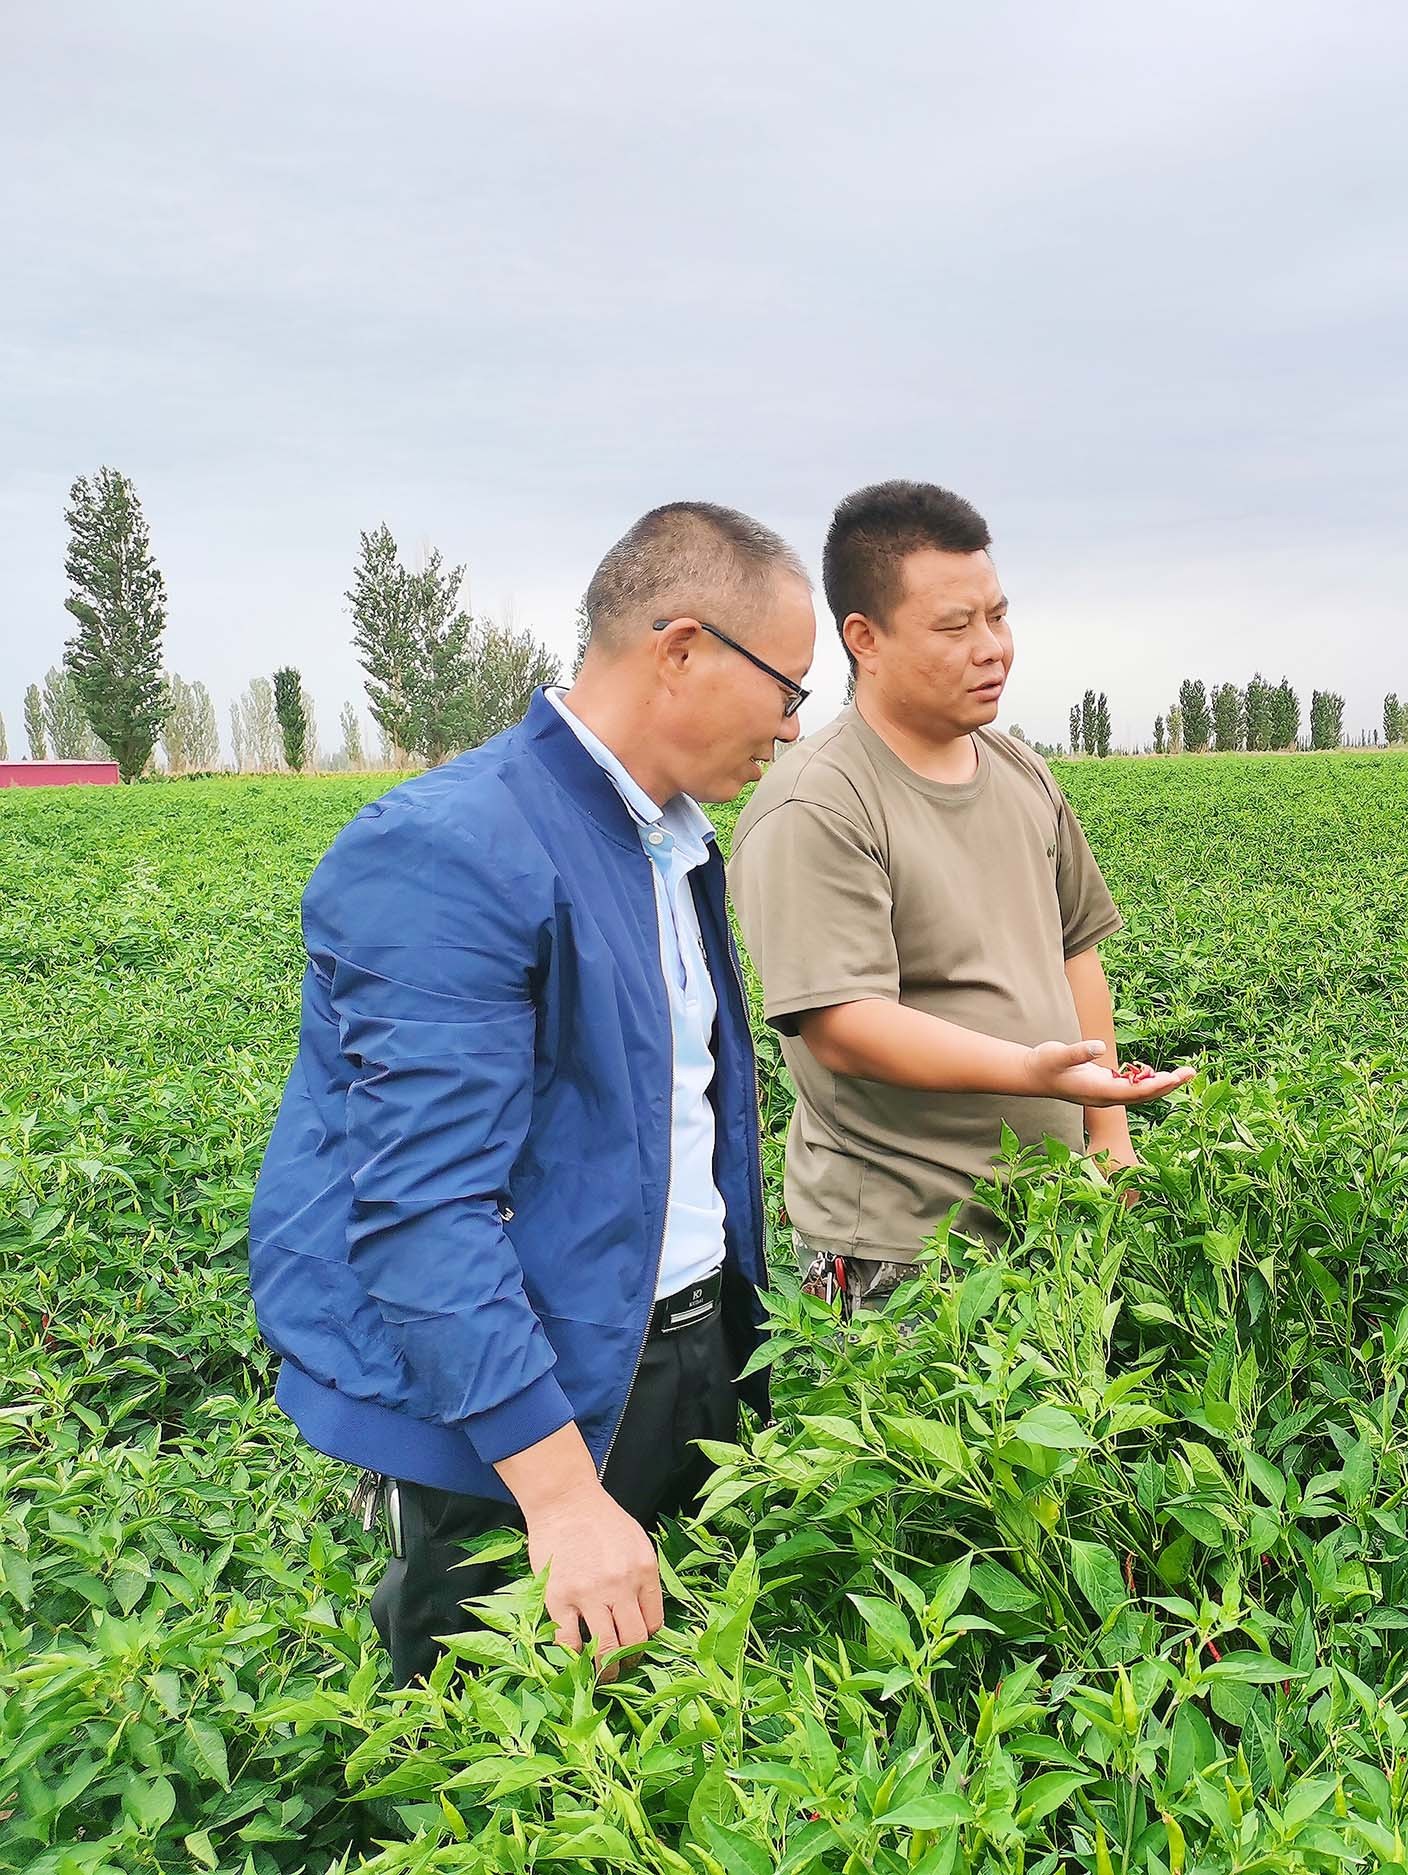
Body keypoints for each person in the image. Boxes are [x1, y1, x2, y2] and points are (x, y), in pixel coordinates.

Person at [249, 501, 817, 1682]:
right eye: (787, 689)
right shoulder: (457, 846)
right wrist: (560, 1498)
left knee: (663, 1749)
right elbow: (421, 1208)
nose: (792, 728)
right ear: (681, 647)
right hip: (518, 1411)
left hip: (684, 1356)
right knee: (497, 1768)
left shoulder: (669, 841)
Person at [728, 480, 1187, 1314]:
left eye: (998, 616)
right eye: (954, 626)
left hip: (1050, 1217)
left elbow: (1076, 953)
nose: (993, 648)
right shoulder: (819, 802)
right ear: (863, 638)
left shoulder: (1021, 773)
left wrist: (1110, 1142)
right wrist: (1032, 1072)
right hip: (904, 1251)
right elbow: (845, 1025)